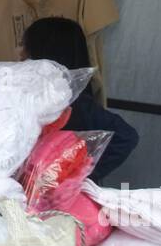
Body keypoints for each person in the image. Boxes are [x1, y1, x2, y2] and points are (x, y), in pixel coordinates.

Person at [21, 16, 139, 182]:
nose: (21, 54)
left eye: (26, 47)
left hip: (59, 199)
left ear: (43, 52)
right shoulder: (26, 95)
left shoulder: (74, 103)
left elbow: (126, 137)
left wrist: (78, 176)